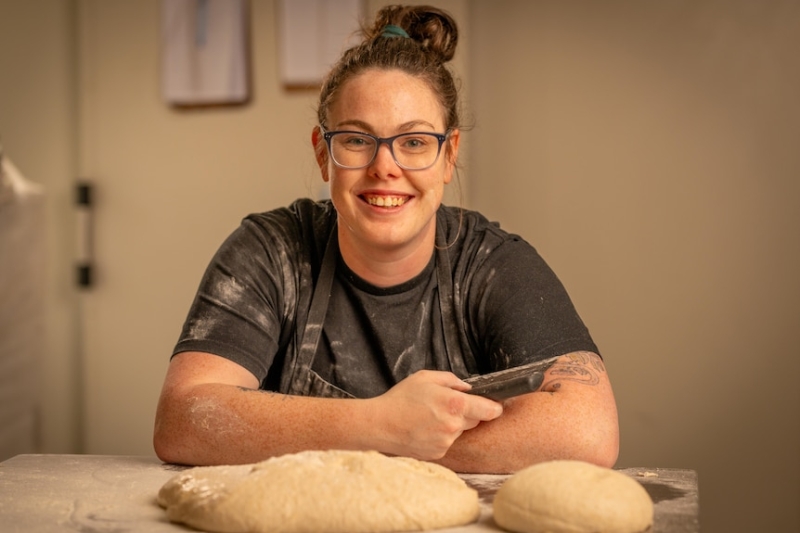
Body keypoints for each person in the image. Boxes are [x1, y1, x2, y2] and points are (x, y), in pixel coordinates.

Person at [153, 4, 619, 473]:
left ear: (449, 154)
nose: (385, 168)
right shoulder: (269, 252)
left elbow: (588, 429)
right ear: (323, 153)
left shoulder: (493, 264)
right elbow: (183, 417)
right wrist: (381, 425)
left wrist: (402, 442)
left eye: (414, 142)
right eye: (357, 140)